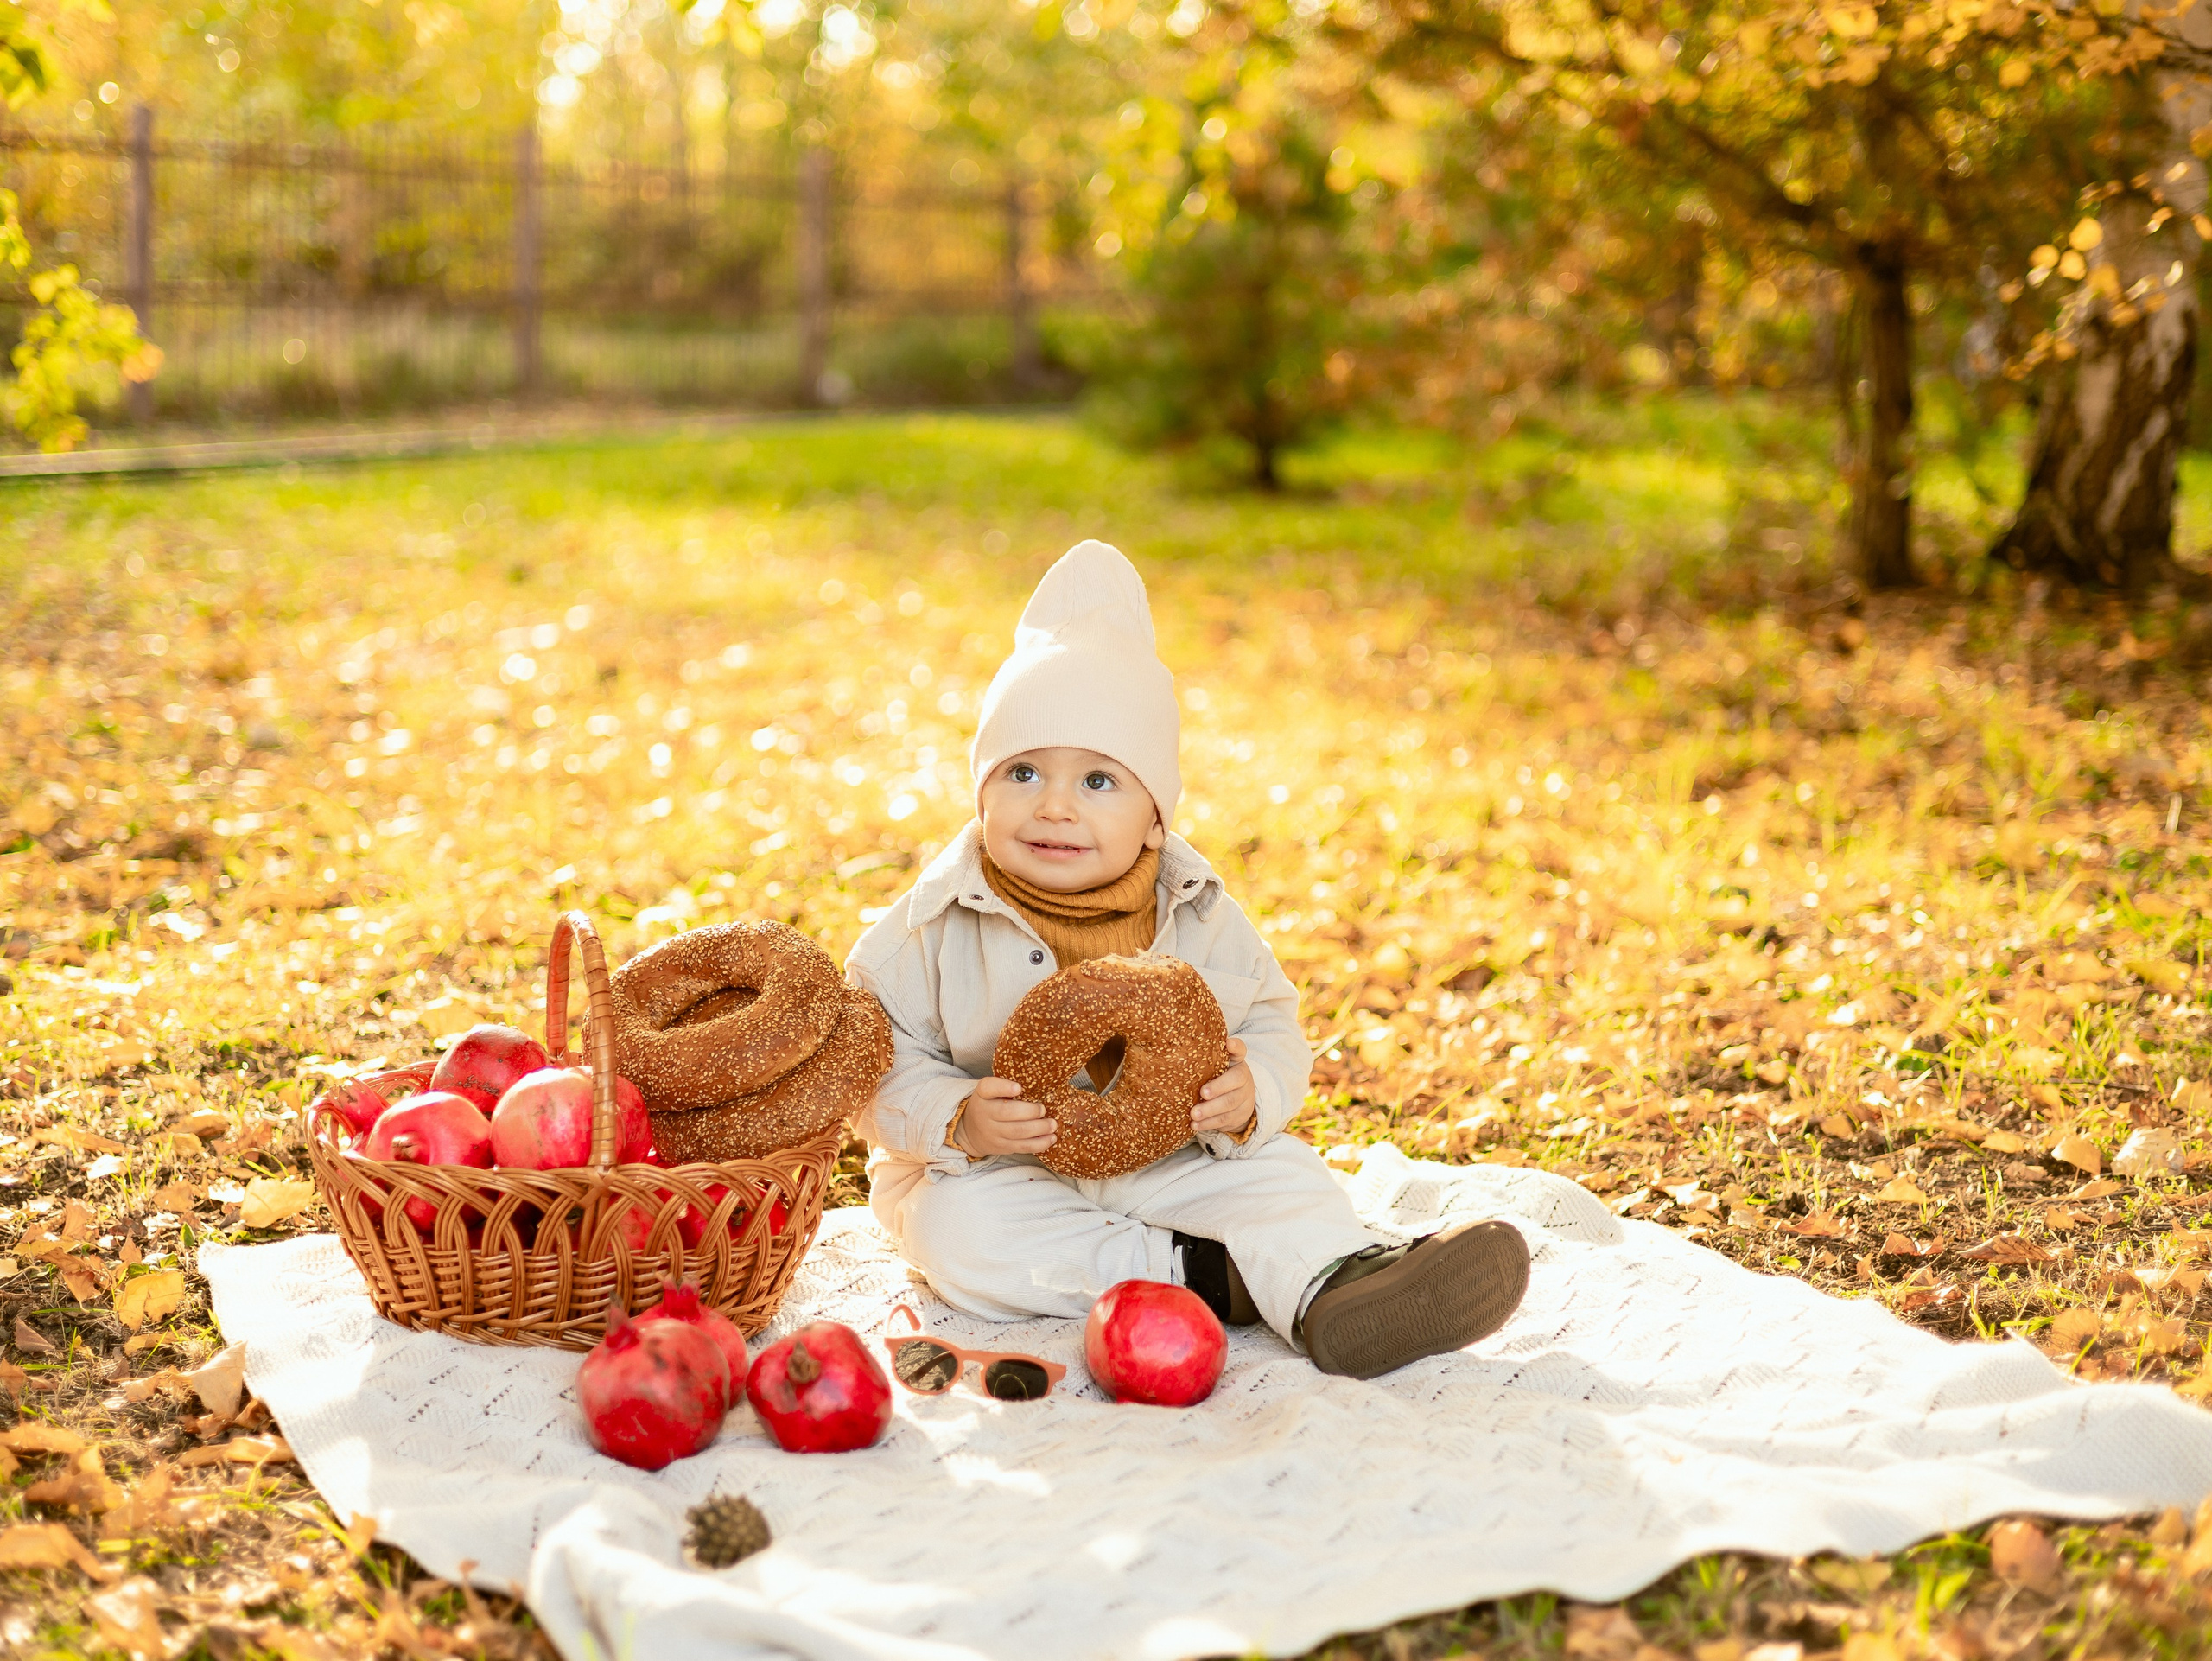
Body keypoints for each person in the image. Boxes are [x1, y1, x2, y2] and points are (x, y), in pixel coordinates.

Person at [846, 541, 1529, 1378]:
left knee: (1285, 1175)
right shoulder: (923, 928)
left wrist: (1252, 1091)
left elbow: (1272, 1022)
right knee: (957, 1236)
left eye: (1099, 781)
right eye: (1022, 772)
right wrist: (957, 1117)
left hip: (1171, 1156)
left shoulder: (1198, 911)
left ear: (1156, 820)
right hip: (1003, 1170)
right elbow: (872, 1060)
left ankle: (1342, 1283)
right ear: (980, 792)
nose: (1054, 805)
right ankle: (1210, 1276)